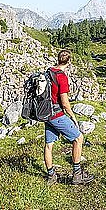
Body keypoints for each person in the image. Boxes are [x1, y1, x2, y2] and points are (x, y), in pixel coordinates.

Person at [44, 49, 94, 185]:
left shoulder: (49, 71)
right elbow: (65, 104)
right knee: (78, 138)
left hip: (47, 114)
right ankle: (77, 175)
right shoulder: (61, 77)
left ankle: (51, 176)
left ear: (58, 59)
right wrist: (73, 117)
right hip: (57, 115)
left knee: (49, 145)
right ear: (69, 62)